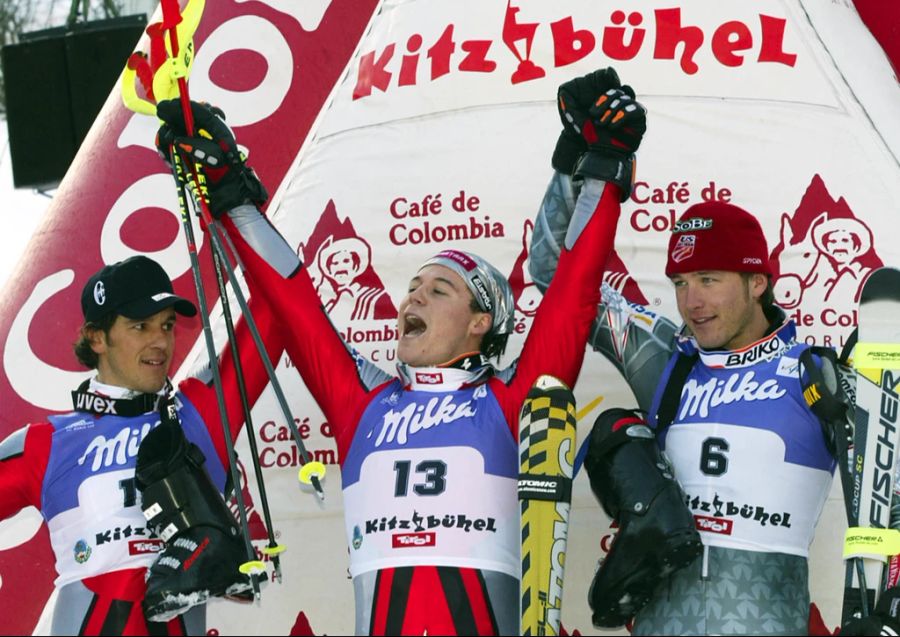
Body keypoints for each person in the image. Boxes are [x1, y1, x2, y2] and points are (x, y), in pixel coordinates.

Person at [154, 65, 647, 635]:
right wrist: (230, 193)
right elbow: (295, 307)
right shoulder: (362, 400)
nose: (413, 297)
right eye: (412, 287)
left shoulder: (513, 399)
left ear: (479, 324)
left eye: (439, 291)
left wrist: (606, 170)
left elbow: (574, 292)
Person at [530, 78, 855, 634]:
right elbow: (555, 274)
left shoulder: (815, 373)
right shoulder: (666, 358)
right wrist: (581, 159)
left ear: (757, 282)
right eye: (681, 281)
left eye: (709, 279)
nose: (691, 301)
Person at [0, 253, 287, 634]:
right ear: (96, 337)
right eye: (141, 326)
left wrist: (237, 213)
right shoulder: (45, 443)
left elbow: (278, 306)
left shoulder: (200, 413)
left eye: (166, 325)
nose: (160, 342)